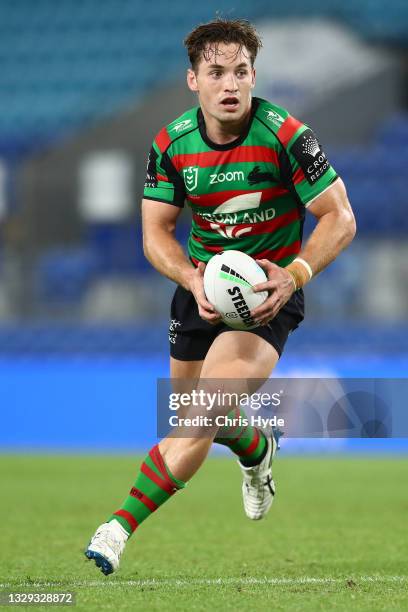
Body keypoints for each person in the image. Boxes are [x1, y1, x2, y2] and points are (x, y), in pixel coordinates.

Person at [85, 18, 356, 575]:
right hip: (200, 290)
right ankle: (256, 447)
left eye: (240, 71)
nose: (229, 84)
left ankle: (117, 527)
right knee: (196, 414)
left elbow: (340, 217)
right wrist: (188, 279)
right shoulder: (171, 144)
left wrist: (295, 273)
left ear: (254, 75)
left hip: (264, 297)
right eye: (216, 72)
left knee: (197, 417)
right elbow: (155, 233)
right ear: (193, 80)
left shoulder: (287, 136)